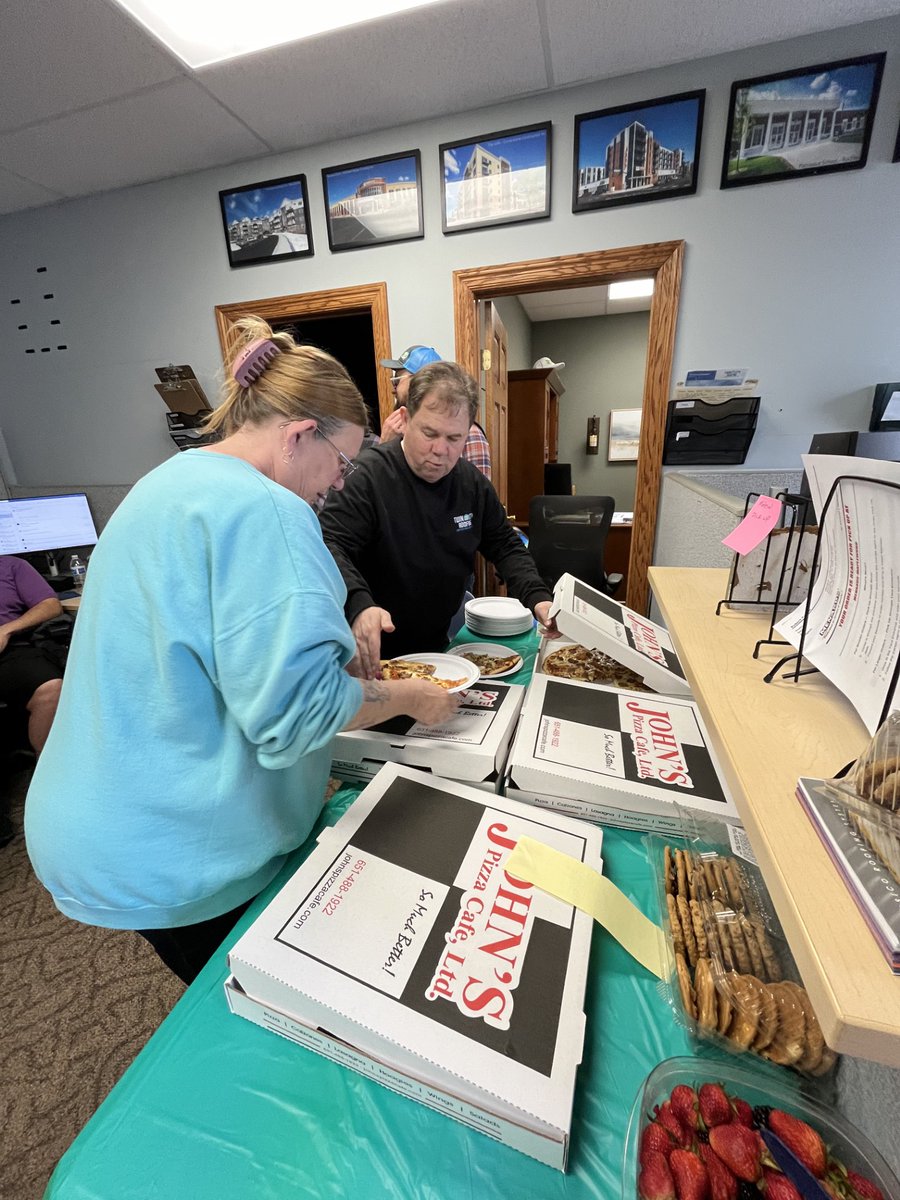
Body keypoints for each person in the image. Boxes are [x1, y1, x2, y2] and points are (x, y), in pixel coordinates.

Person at [25, 317, 458, 985]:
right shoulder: (271, 510)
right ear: (297, 435)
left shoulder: (166, 484)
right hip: (171, 847)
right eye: (340, 463)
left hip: (95, 826)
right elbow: (299, 720)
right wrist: (412, 695)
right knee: (264, 1002)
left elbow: (206, 655)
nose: (339, 484)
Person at [320, 360, 558, 679]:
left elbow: (505, 545)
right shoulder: (366, 477)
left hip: (435, 648)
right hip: (369, 655)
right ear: (405, 419)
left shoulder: (471, 484)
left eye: (453, 438)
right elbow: (330, 545)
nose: (439, 450)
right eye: (429, 433)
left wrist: (538, 598)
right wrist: (359, 604)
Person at [379, 345, 492, 479]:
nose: (394, 388)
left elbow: (475, 487)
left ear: (419, 381)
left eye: (397, 380)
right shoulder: (394, 430)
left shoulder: (471, 434)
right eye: (429, 434)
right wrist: (386, 449)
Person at [0, 555, 64, 756]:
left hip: (11, 650)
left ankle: (47, 769)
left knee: (51, 689)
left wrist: (6, 630)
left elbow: (51, 605)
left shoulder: (12, 566)